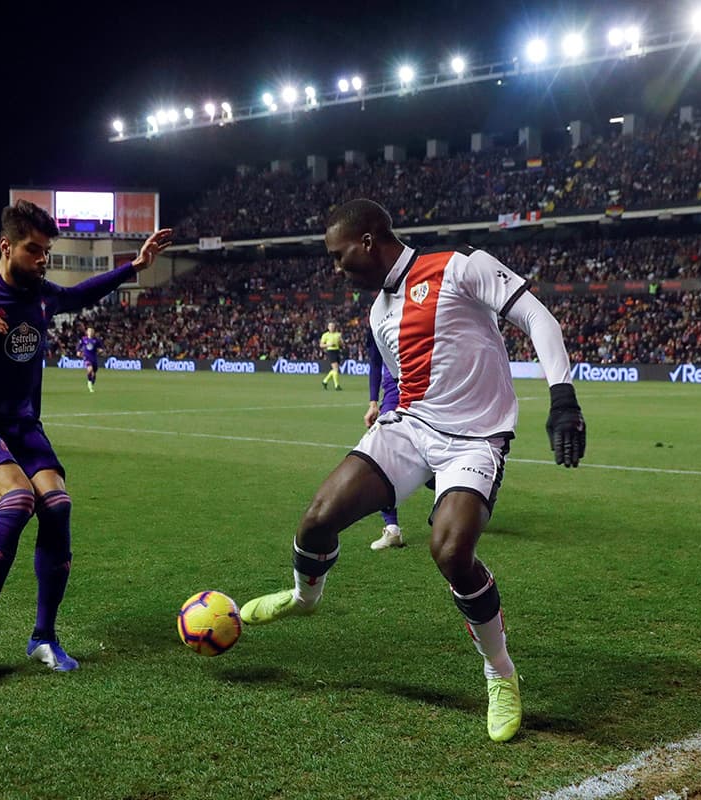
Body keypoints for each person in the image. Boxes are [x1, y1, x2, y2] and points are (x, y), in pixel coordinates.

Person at [240, 199, 585, 743]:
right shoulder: (378, 312)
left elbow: (537, 316)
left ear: (370, 240)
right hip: (412, 428)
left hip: (475, 438)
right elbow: (411, 379)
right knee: (316, 520)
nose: (336, 268)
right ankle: (305, 598)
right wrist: (387, 411)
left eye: (339, 255)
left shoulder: (459, 265)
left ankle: (500, 672)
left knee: (451, 551)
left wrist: (562, 398)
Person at [0, 199, 173, 678]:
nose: (43, 259)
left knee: (58, 504)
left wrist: (135, 265)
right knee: (18, 500)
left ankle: (43, 638)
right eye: (34, 250)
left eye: (47, 250)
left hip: (23, 425)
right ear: (6, 247)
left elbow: (82, 294)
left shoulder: (41, 294)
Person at [364, 324, 404, 550]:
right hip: (392, 399)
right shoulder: (377, 317)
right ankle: (392, 529)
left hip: (427, 396)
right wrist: (373, 402)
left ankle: (461, 502)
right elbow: (375, 361)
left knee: (433, 466)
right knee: (381, 461)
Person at [320, 321, 344, 390]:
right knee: (335, 368)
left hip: (337, 351)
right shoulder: (325, 335)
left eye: (333, 326)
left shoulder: (338, 334)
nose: (332, 327)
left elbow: (342, 344)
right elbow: (321, 345)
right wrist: (328, 345)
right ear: (328, 327)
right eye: (330, 326)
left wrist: (340, 342)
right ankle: (337, 385)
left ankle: (325, 381)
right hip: (330, 351)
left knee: (335, 369)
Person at [78, 326, 103, 393]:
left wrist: (100, 350)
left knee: (94, 372)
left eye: (92, 331)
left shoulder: (96, 340)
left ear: (93, 333)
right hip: (86, 357)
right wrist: (79, 351)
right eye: (89, 331)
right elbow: (79, 346)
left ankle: (92, 379)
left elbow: (101, 348)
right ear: (87, 332)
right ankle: (89, 383)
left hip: (94, 358)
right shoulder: (84, 339)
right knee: (89, 369)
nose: (90, 332)